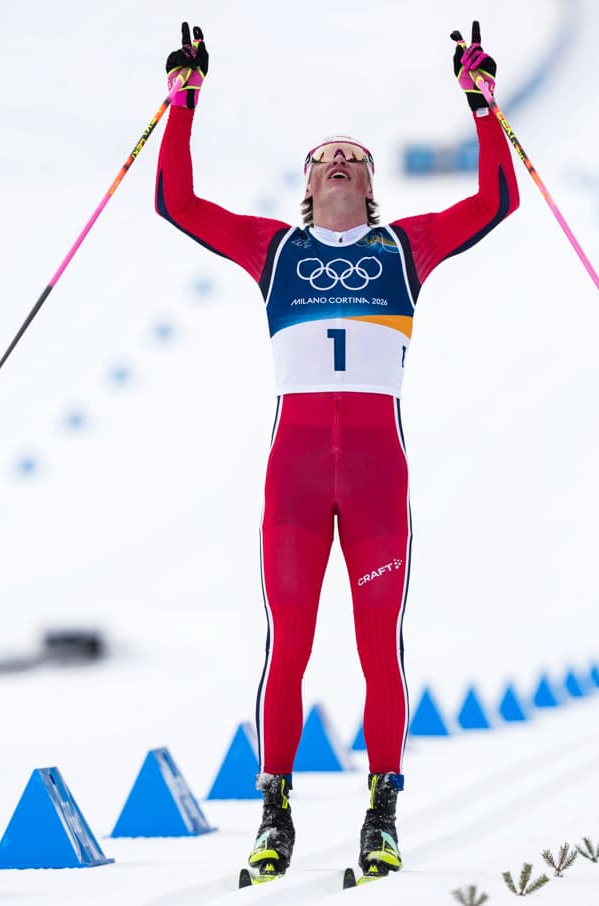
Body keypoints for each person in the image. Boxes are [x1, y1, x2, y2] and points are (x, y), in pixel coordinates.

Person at [155, 20, 518, 882]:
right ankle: (273, 813)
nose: (341, 162)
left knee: (376, 645)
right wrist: (183, 100)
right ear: (307, 187)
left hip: (373, 479)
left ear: (372, 184)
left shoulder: (407, 247)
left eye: (355, 155)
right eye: (325, 158)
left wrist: (482, 105)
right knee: (289, 645)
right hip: (296, 478)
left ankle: (381, 811)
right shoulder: (272, 248)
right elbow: (177, 203)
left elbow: (497, 201)